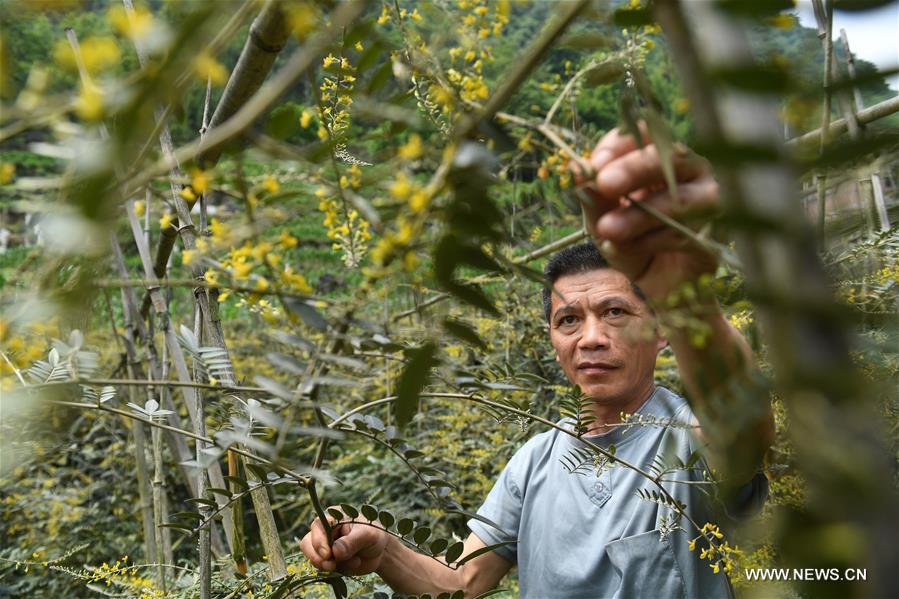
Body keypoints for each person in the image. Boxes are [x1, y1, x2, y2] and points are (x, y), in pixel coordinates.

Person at [299, 128, 774, 598]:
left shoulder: (689, 440)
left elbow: (741, 424)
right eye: (569, 319)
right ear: (552, 338)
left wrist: (684, 294)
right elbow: (461, 582)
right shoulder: (535, 462)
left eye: (615, 312)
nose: (590, 338)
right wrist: (383, 550)